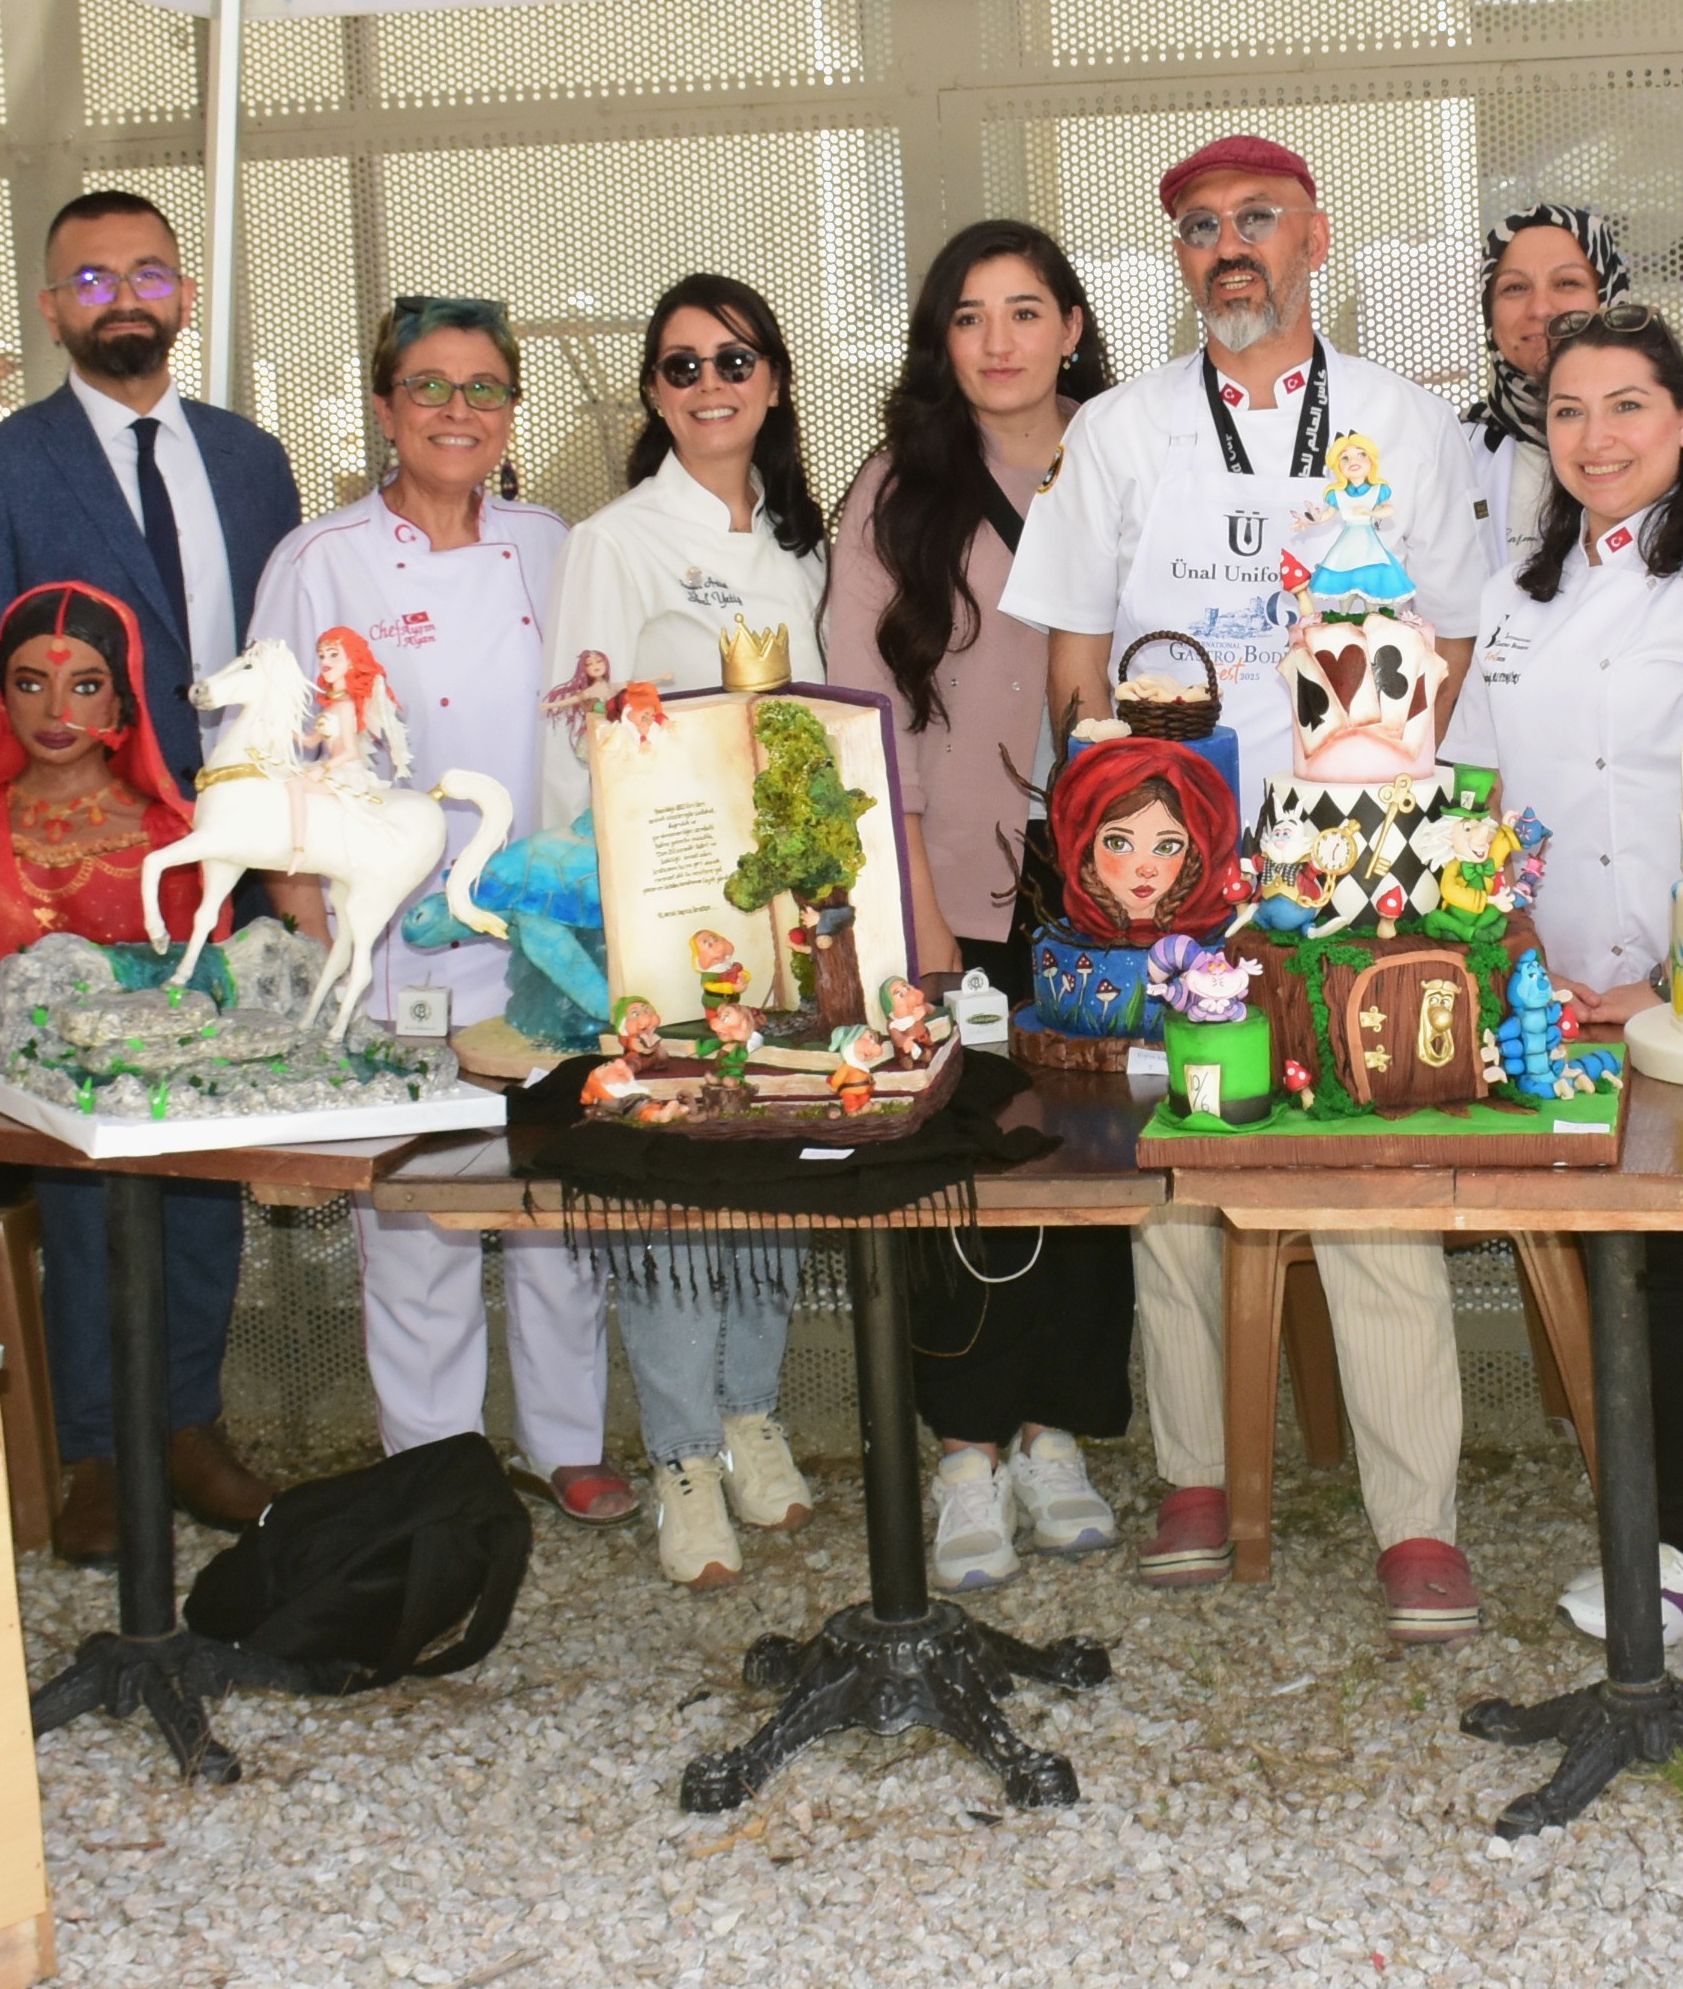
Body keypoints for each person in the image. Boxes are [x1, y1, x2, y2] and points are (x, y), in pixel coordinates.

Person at [1002, 131, 1497, 1640]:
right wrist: (1113, 838)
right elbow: (1076, 648)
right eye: (1202, 227)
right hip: (1172, 865)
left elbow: (1457, 633)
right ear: (1180, 261)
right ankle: (1196, 1477)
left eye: (1258, 221)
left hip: (1349, 854)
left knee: (1369, 1170)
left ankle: (1416, 1522)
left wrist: (1381, 797)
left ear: (1317, 241)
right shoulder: (1124, 431)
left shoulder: (1409, 424)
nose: (1232, 248)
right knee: (1175, 1175)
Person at [0, 191, 304, 1540]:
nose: (123, 299)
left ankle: (188, 1424)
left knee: (206, 1138)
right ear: (51, 310)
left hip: (236, 865)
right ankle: (97, 1451)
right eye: (91, 281)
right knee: (87, 1153)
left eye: (148, 273)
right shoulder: (1, 467)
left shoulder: (255, 463)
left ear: (185, 295)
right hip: (74, 875)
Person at [247, 296, 626, 1534]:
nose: (456, 413)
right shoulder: (319, 563)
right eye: (428, 387)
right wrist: (322, 950)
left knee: (560, 1208)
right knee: (413, 1224)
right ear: (383, 405)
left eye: (482, 389)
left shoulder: (553, 544)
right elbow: (273, 779)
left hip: (549, 941)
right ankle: (441, 1473)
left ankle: (570, 1446)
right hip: (398, 947)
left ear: (512, 409)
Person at [823, 223, 1133, 1596]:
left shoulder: (1130, 459)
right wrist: (914, 909)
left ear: (1072, 326)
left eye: (1026, 311)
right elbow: (852, 714)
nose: (999, 340)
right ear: (939, 342)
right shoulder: (898, 488)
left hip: (1107, 888)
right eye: (969, 316)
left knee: (1089, 1160)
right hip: (946, 878)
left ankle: (1056, 1435)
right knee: (957, 1164)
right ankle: (962, 1454)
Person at [1449, 304, 1683, 1640]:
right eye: (1569, 410)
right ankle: (1665, 1520)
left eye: (1628, 405)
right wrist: (1512, 948)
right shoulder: (1514, 597)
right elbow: (1473, 790)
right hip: (1552, 990)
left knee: (1682, 1268)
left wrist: (1669, 984)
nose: (1596, 436)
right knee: (1608, 1257)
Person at [542, 274, 830, 1588]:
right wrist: (604, 933)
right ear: (653, 395)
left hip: (781, 917)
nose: (709, 385)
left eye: (733, 360)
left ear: (771, 379)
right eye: (679, 367)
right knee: (673, 1206)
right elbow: (581, 740)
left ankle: (749, 1415)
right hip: (660, 922)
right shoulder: (615, 540)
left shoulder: (796, 545)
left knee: (768, 1186)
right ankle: (678, 1460)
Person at [0, 582, 209, 1337]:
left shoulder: (179, 840)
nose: (57, 711)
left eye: (85, 685)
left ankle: (179, 1428)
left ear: (122, 698)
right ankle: (83, 1437)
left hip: (148, 1117)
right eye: (31, 684)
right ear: (0, 692)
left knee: (181, 1200)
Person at [1463, 204, 1628, 573]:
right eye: (1515, 287)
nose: (1540, 308)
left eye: (1567, 283)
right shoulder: (1454, 452)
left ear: (1610, 295)